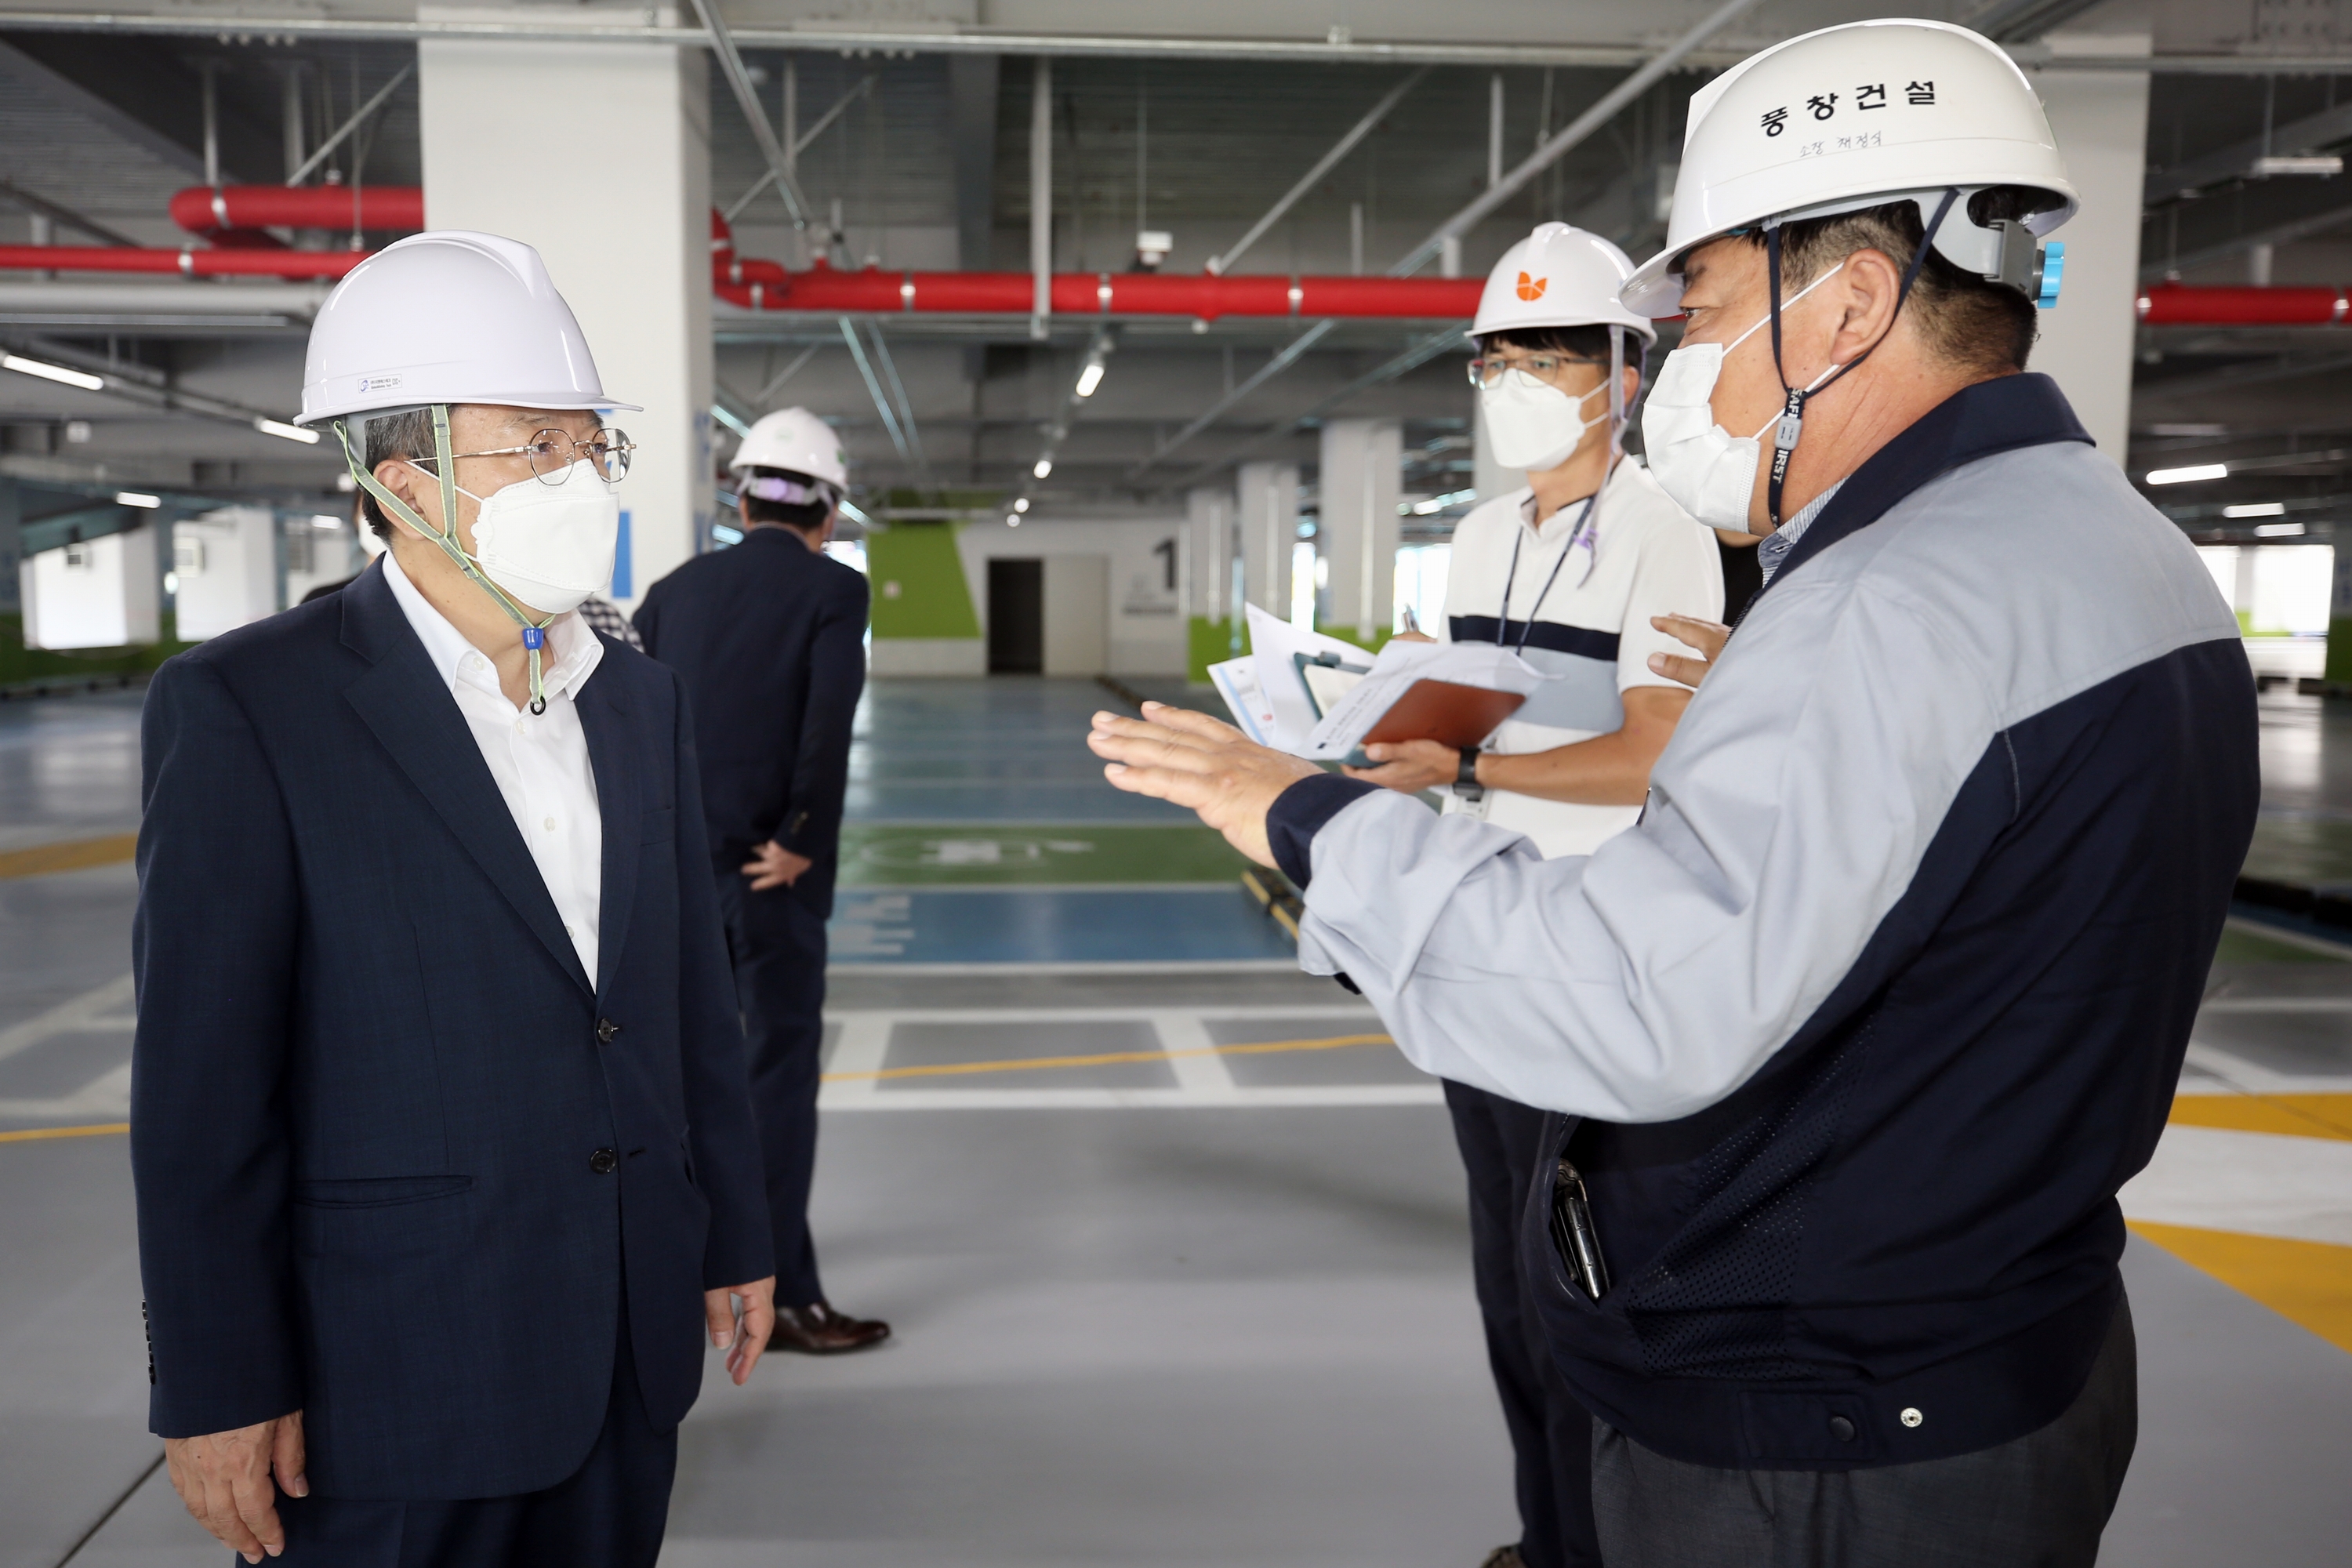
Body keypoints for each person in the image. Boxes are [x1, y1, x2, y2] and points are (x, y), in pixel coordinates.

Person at [1086, 20, 2257, 1567]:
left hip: (1823, 1440)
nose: (1682, 368)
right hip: (2005, 1347)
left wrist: (1302, 816)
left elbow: (1646, 997)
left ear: (1848, 303)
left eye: (1697, 309)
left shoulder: (1884, 605)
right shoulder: (2121, 553)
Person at [132, 230, 778, 1567]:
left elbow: (686, 1000)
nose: (579, 479)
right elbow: (202, 1088)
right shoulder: (252, 706)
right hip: (392, 1377)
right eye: (532, 447)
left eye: (590, 446)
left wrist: (731, 1231)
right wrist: (216, 1379)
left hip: (626, 1347)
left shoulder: (639, 700)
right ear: (403, 482)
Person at [1345, 222, 1720, 1568]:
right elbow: (1478, 723)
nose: (1510, 385)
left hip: (1593, 950)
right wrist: (1403, 712)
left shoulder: (1669, 536)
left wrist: (1469, 761)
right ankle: (1548, 1532)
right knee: (1508, 1277)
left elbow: (1651, 753)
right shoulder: (1478, 535)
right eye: (1493, 361)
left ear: (1623, 374)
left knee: (1577, 1278)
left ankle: (1597, 1544)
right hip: (1481, 924)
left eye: (1542, 360)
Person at [633, 408, 885, 1355]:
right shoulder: (834, 590)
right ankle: (779, 1295)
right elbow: (829, 723)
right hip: (768, 879)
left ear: (741, 503)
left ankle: (688, 1268)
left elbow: (638, 723)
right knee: (773, 1080)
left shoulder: (673, 591)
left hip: (677, 876)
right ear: (830, 511)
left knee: (680, 1078)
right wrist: (800, 839)